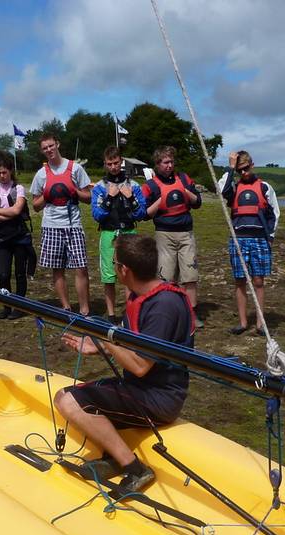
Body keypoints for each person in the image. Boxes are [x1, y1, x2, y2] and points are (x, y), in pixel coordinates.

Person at [54, 234, 194, 497]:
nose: (113, 266)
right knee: (64, 395)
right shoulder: (142, 295)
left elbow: (141, 366)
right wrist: (96, 346)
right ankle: (113, 457)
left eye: (115, 262)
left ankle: (135, 468)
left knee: (69, 402)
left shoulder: (163, 306)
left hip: (160, 398)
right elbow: (130, 339)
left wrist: (106, 342)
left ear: (124, 270)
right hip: (139, 388)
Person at [29, 132, 92, 315]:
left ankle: (85, 310)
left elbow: (88, 197)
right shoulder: (41, 174)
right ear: (42, 151)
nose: (49, 150)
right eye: (44, 148)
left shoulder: (75, 168)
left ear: (57, 144)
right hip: (51, 226)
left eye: (51, 145)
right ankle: (66, 308)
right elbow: (35, 206)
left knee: (81, 268)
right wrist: (46, 195)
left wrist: (75, 191)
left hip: (73, 226)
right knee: (58, 269)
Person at [218, 151, 279, 336]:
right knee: (239, 281)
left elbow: (274, 213)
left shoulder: (264, 187)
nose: (243, 173)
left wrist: (270, 236)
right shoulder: (233, 187)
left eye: (246, 169)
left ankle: (260, 323)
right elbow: (222, 191)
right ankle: (243, 322)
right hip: (238, 239)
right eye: (239, 170)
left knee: (258, 281)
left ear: (252, 165)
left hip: (259, 238)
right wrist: (230, 167)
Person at [140, 146, 202, 328]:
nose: (169, 165)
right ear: (157, 164)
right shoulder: (150, 186)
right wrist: (161, 199)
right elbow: (144, 214)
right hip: (164, 234)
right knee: (165, 277)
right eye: (165, 162)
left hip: (186, 233)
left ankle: (192, 316)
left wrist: (185, 191)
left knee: (190, 275)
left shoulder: (183, 178)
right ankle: (168, 314)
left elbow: (197, 202)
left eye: (171, 162)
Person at [91, 146, 146, 324]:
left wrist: (130, 198)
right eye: (110, 164)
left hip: (129, 232)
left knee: (130, 275)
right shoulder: (99, 187)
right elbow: (97, 215)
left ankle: (130, 314)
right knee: (109, 277)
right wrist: (108, 198)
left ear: (121, 162)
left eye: (116, 163)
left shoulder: (134, 185)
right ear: (105, 164)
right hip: (108, 233)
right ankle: (112, 315)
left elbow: (141, 214)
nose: (114, 167)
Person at [0, 152, 31, 319]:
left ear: (10, 171)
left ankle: (20, 306)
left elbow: (17, 210)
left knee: (19, 272)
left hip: (19, 236)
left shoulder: (18, 188)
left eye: (4, 172)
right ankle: (6, 306)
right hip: (2, 237)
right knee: (3, 274)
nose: (2, 176)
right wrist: (6, 214)